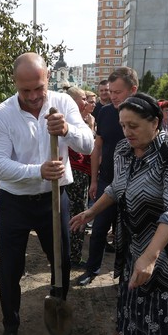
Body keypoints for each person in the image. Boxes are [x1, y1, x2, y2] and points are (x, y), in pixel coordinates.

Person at [69, 93, 168, 335]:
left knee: (165, 301)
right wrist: (90, 211)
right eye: (123, 125)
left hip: (165, 242)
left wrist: (152, 255)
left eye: (134, 125)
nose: (127, 132)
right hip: (133, 236)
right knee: (129, 291)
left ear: (155, 122)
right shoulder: (124, 150)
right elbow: (117, 187)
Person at [0, 52, 94, 335]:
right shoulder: (1, 115)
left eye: (39, 88)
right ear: (15, 84)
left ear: (48, 79)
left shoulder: (64, 103)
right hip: (14, 204)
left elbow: (87, 143)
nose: (33, 97)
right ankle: (10, 325)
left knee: (61, 262)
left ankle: (58, 306)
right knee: (9, 268)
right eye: (25, 90)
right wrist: (38, 171)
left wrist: (67, 131)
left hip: (52, 199)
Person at [78, 67, 139, 286]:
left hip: (134, 184)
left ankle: (125, 276)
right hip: (107, 181)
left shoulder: (144, 113)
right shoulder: (104, 113)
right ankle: (91, 269)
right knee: (99, 229)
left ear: (133, 89)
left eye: (118, 92)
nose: (112, 96)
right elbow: (98, 147)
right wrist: (94, 180)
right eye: (110, 91)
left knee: (129, 233)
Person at [65, 86, 96, 265]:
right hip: (74, 173)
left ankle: (73, 254)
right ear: (73, 101)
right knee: (76, 214)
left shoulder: (85, 120)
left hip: (82, 173)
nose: (87, 102)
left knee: (77, 213)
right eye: (83, 98)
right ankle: (72, 256)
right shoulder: (72, 122)